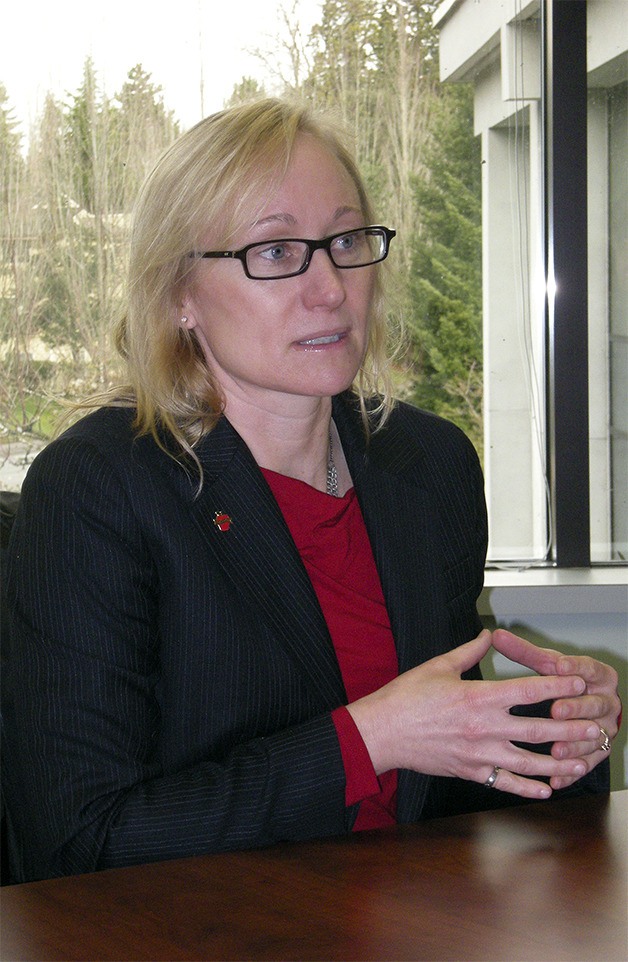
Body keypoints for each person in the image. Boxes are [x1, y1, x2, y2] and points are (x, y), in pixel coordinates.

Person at [1, 98, 620, 884]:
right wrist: (367, 740)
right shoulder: (97, 491)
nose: (329, 287)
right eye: (275, 250)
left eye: (346, 240)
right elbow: (81, 842)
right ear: (178, 294)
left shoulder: (427, 466)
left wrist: (557, 734)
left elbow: (434, 798)